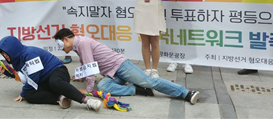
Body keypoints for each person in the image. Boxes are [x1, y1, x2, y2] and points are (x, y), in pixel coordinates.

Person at [53, 29, 200, 104]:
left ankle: (185, 93)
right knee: (103, 86)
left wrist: (88, 90)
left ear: (66, 39)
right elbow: (86, 65)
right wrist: (81, 76)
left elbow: (90, 68)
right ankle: (137, 89)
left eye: (60, 45)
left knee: (150, 81)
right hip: (112, 74)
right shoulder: (78, 45)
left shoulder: (83, 43)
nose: (61, 49)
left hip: (121, 66)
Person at [108, 0, 182, 78]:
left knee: (155, 40)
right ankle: (147, 69)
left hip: (155, 6)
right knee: (144, 41)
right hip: (141, 6)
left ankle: (155, 69)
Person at [0, 36, 103, 111]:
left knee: (54, 82)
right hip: (43, 80)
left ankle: (87, 101)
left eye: (6, 52)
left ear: (13, 49)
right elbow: (22, 77)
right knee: (29, 95)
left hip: (58, 71)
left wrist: (22, 93)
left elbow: (33, 77)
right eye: (3, 54)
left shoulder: (29, 54)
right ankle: (60, 98)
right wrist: (7, 73)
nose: (5, 56)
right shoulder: (16, 60)